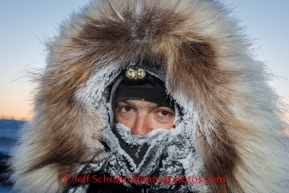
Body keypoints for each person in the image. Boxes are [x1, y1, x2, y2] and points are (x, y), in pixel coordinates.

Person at [10, 0, 289, 192]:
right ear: (104, 112)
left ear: (191, 119)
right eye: (127, 109)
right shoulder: (80, 184)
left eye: (162, 112)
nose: (139, 130)